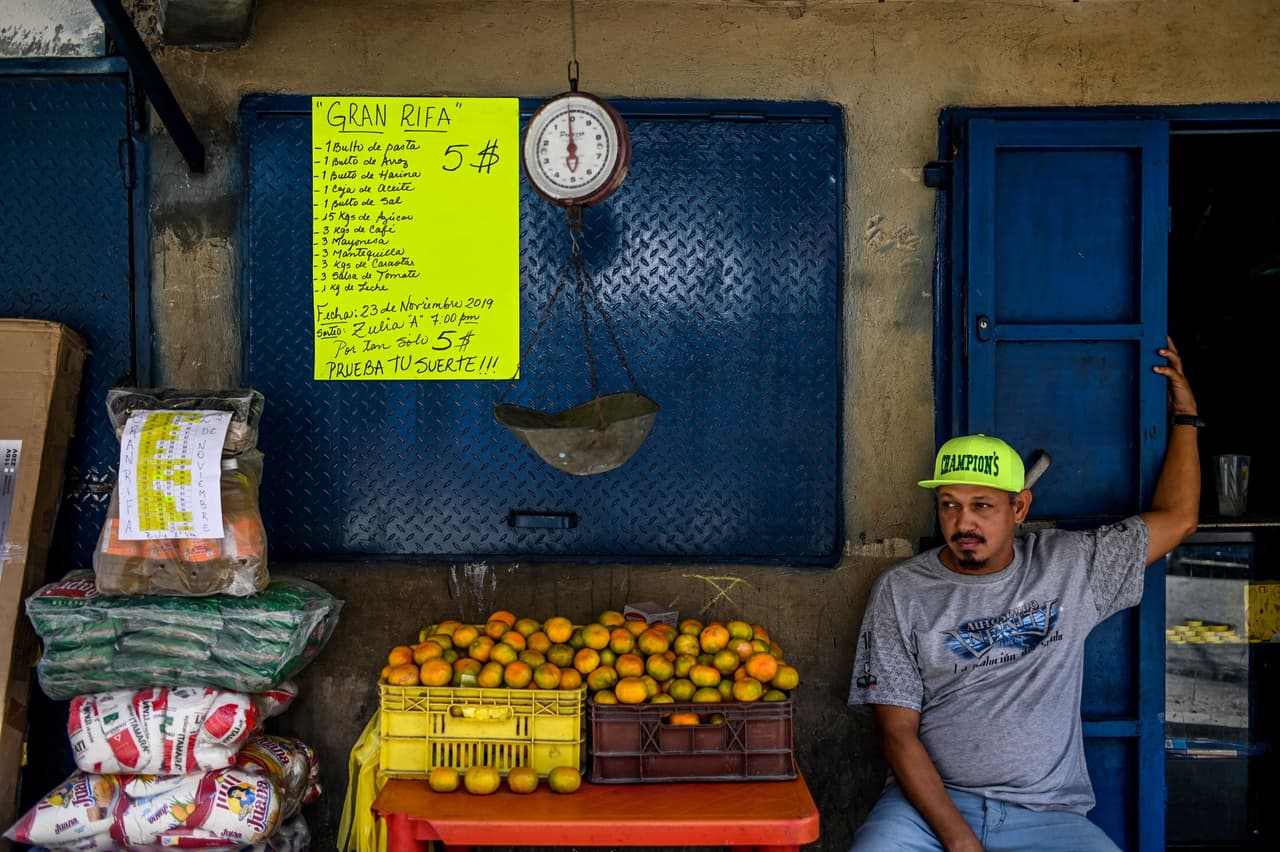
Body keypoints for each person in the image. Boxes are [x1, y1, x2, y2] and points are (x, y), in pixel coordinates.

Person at [847, 338, 1200, 852]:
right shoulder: (903, 591)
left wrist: (1186, 418)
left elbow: (1178, 519)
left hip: (1046, 813)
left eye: (982, 506)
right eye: (949, 505)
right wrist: (961, 841)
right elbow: (896, 733)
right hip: (928, 808)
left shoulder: (1070, 565)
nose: (962, 522)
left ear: (1019, 507)